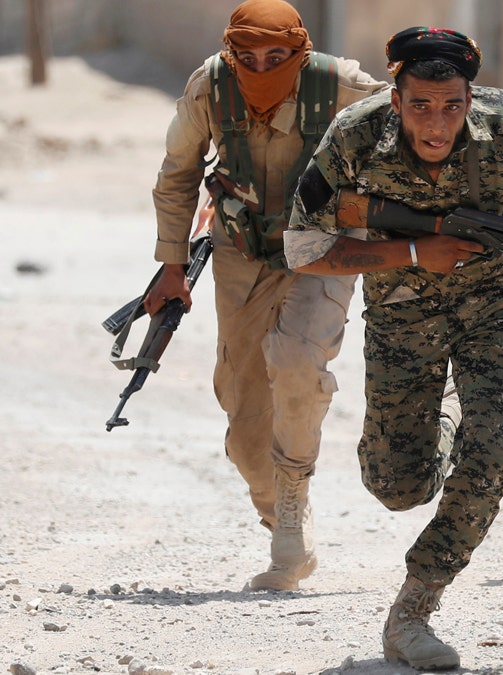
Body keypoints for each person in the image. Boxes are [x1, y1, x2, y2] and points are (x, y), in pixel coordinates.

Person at [284, 26, 503, 670]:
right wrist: (414, 250)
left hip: (495, 306)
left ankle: (414, 608)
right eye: (420, 106)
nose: (437, 125)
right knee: (397, 486)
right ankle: (443, 422)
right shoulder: (354, 136)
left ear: (471, 95)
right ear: (394, 96)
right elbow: (305, 248)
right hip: (401, 316)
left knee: (494, 449)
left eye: (452, 105)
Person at [144, 0, 390, 591]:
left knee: (299, 360)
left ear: (300, 52)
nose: (260, 68)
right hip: (241, 252)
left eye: (276, 57)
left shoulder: (339, 84)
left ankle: (290, 516)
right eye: (247, 56)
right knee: (244, 417)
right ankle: (285, 512)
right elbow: (177, 173)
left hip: (325, 250)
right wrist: (171, 265)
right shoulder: (211, 86)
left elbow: (416, 130)